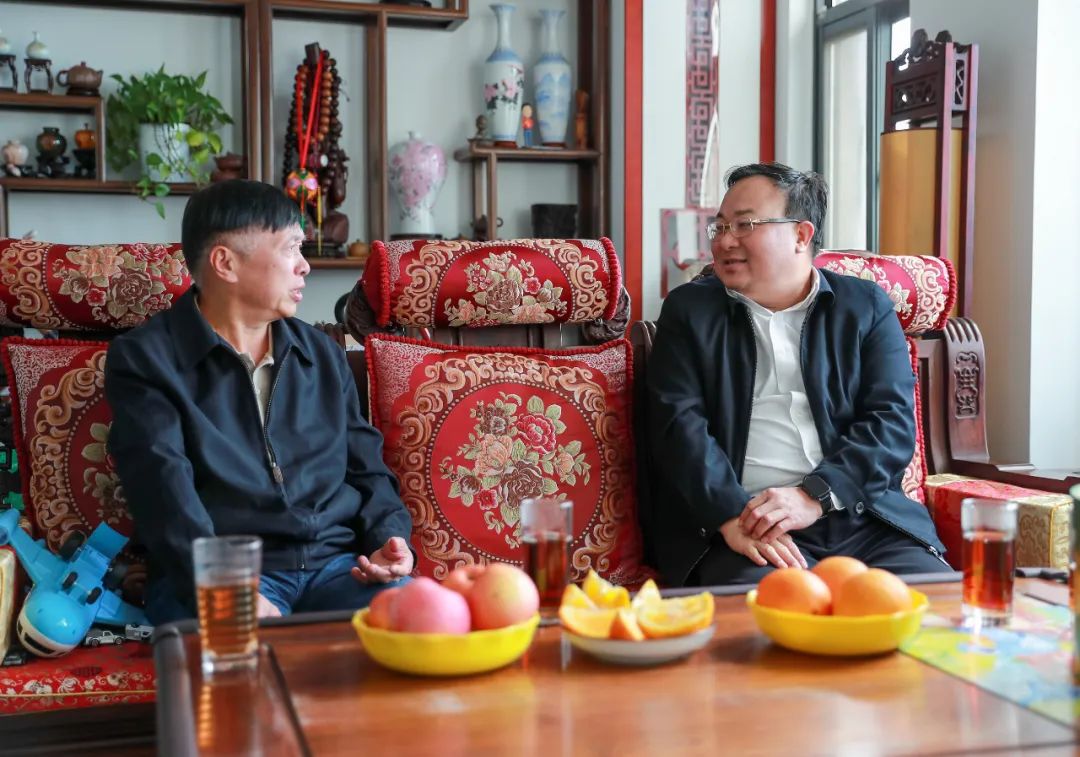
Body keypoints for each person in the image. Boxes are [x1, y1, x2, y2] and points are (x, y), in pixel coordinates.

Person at [106, 180, 414, 624]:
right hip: (224, 575)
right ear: (225, 263)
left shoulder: (321, 354)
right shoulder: (146, 360)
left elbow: (366, 468)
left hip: (337, 568)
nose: (305, 267)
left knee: (418, 618)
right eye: (291, 249)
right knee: (246, 649)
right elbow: (163, 492)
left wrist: (389, 539)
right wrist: (225, 585)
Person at [646, 162, 948, 586]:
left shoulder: (865, 307)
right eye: (720, 227)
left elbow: (891, 424)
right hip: (745, 525)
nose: (725, 241)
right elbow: (678, 428)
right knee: (769, 615)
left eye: (745, 224)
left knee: (937, 603)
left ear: (801, 235)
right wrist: (729, 515)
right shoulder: (689, 311)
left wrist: (816, 496)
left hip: (861, 518)